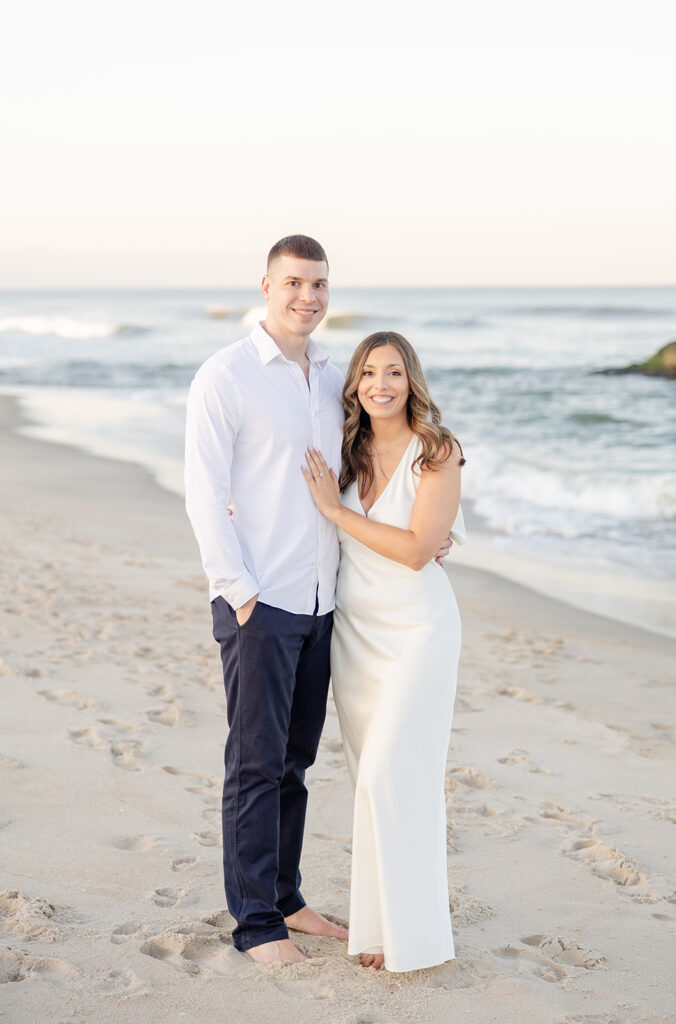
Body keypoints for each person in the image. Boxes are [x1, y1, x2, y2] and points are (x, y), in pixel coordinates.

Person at [184, 235, 349, 964]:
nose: (307, 297)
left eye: (317, 284)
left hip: (322, 602)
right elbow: (203, 489)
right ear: (265, 286)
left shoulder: (334, 377)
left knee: (296, 762)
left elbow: (367, 476)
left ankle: (285, 896)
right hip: (262, 601)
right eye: (293, 283)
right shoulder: (227, 376)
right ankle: (255, 924)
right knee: (254, 765)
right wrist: (238, 592)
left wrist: (432, 532)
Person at [302, 330, 465, 973]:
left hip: (418, 632)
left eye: (393, 372)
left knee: (392, 775)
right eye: (368, 373)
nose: (380, 384)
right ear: (355, 384)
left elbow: (419, 548)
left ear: (411, 381)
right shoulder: (347, 448)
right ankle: (377, 929)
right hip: (357, 636)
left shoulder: (437, 450)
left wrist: (335, 514)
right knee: (372, 781)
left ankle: (417, 936)